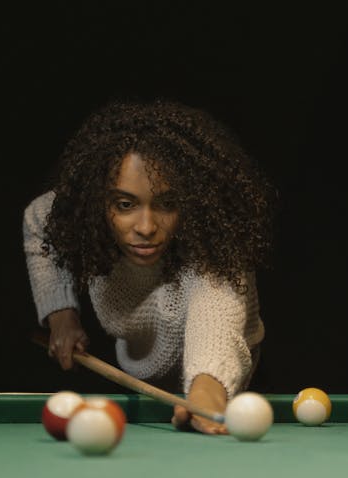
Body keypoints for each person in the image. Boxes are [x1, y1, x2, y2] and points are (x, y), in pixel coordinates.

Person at [23, 100, 276, 434]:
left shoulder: (214, 254)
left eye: (167, 204)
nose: (145, 226)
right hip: (140, 373)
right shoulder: (79, 216)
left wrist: (206, 392)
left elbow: (216, 315)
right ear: (97, 201)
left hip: (224, 385)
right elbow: (39, 218)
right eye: (125, 204)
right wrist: (61, 315)